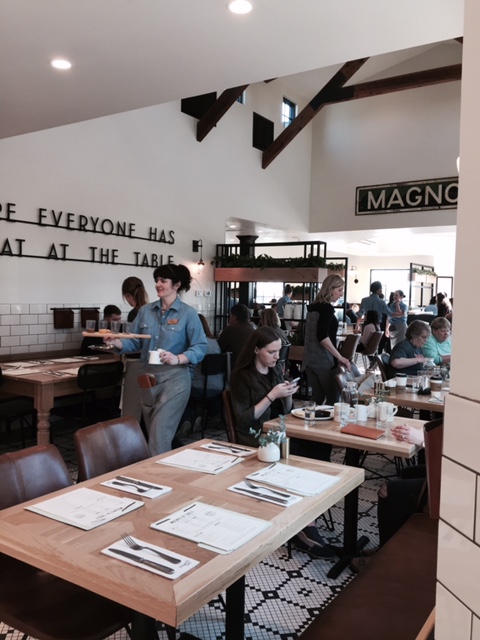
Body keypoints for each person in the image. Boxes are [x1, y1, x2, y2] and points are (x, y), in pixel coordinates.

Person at [230, 327, 336, 559]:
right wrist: (272, 395)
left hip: (279, 430)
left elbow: (286, 412)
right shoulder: (242, 376)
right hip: (257, 436)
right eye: (272, 352)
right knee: (305, 456)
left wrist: (287, 395)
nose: (277, 356)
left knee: (320, 448)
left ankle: (306, 510)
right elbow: (245, 419)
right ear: (256, 350)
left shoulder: (276, 370)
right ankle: (305, 526)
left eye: (279, 351)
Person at [105, 264, 207, 455]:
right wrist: (116, 343)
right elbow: (134, 343)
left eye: (163, 281)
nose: (158, 284)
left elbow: (201, 347)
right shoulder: (145, 311)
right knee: (153, 433)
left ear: (176, 284)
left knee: (160, 433)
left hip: (176, 379)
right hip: (149, 380)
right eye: (156, 280)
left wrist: (177, 358)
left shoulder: (188, 314)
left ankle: (157, 478)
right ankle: (161, 473)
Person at [302, 274, 352, 409]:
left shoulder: (313, 307)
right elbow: (322, 337)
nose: (341, 294)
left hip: (309, 360)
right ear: (330, 289)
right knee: (333, 400)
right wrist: (340, 357)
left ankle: (311, 427)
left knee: (317, 397)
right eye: (340, 290)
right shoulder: (327, 308)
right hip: (325, 361)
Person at [377, 422, 429, 546]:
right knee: (407, 473)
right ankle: (401, 546)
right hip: (448, 473)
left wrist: (423, 440)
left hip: (459, 487)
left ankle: (386, 555)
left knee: (390, 491)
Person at [120, 276, 150, 423]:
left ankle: (131, 443)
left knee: (131, 410)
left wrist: (118, 343)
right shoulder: (150, 311)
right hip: (150, 363)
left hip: (136, 364)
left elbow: (133, 342)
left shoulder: (135, 313)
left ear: (127, 295)